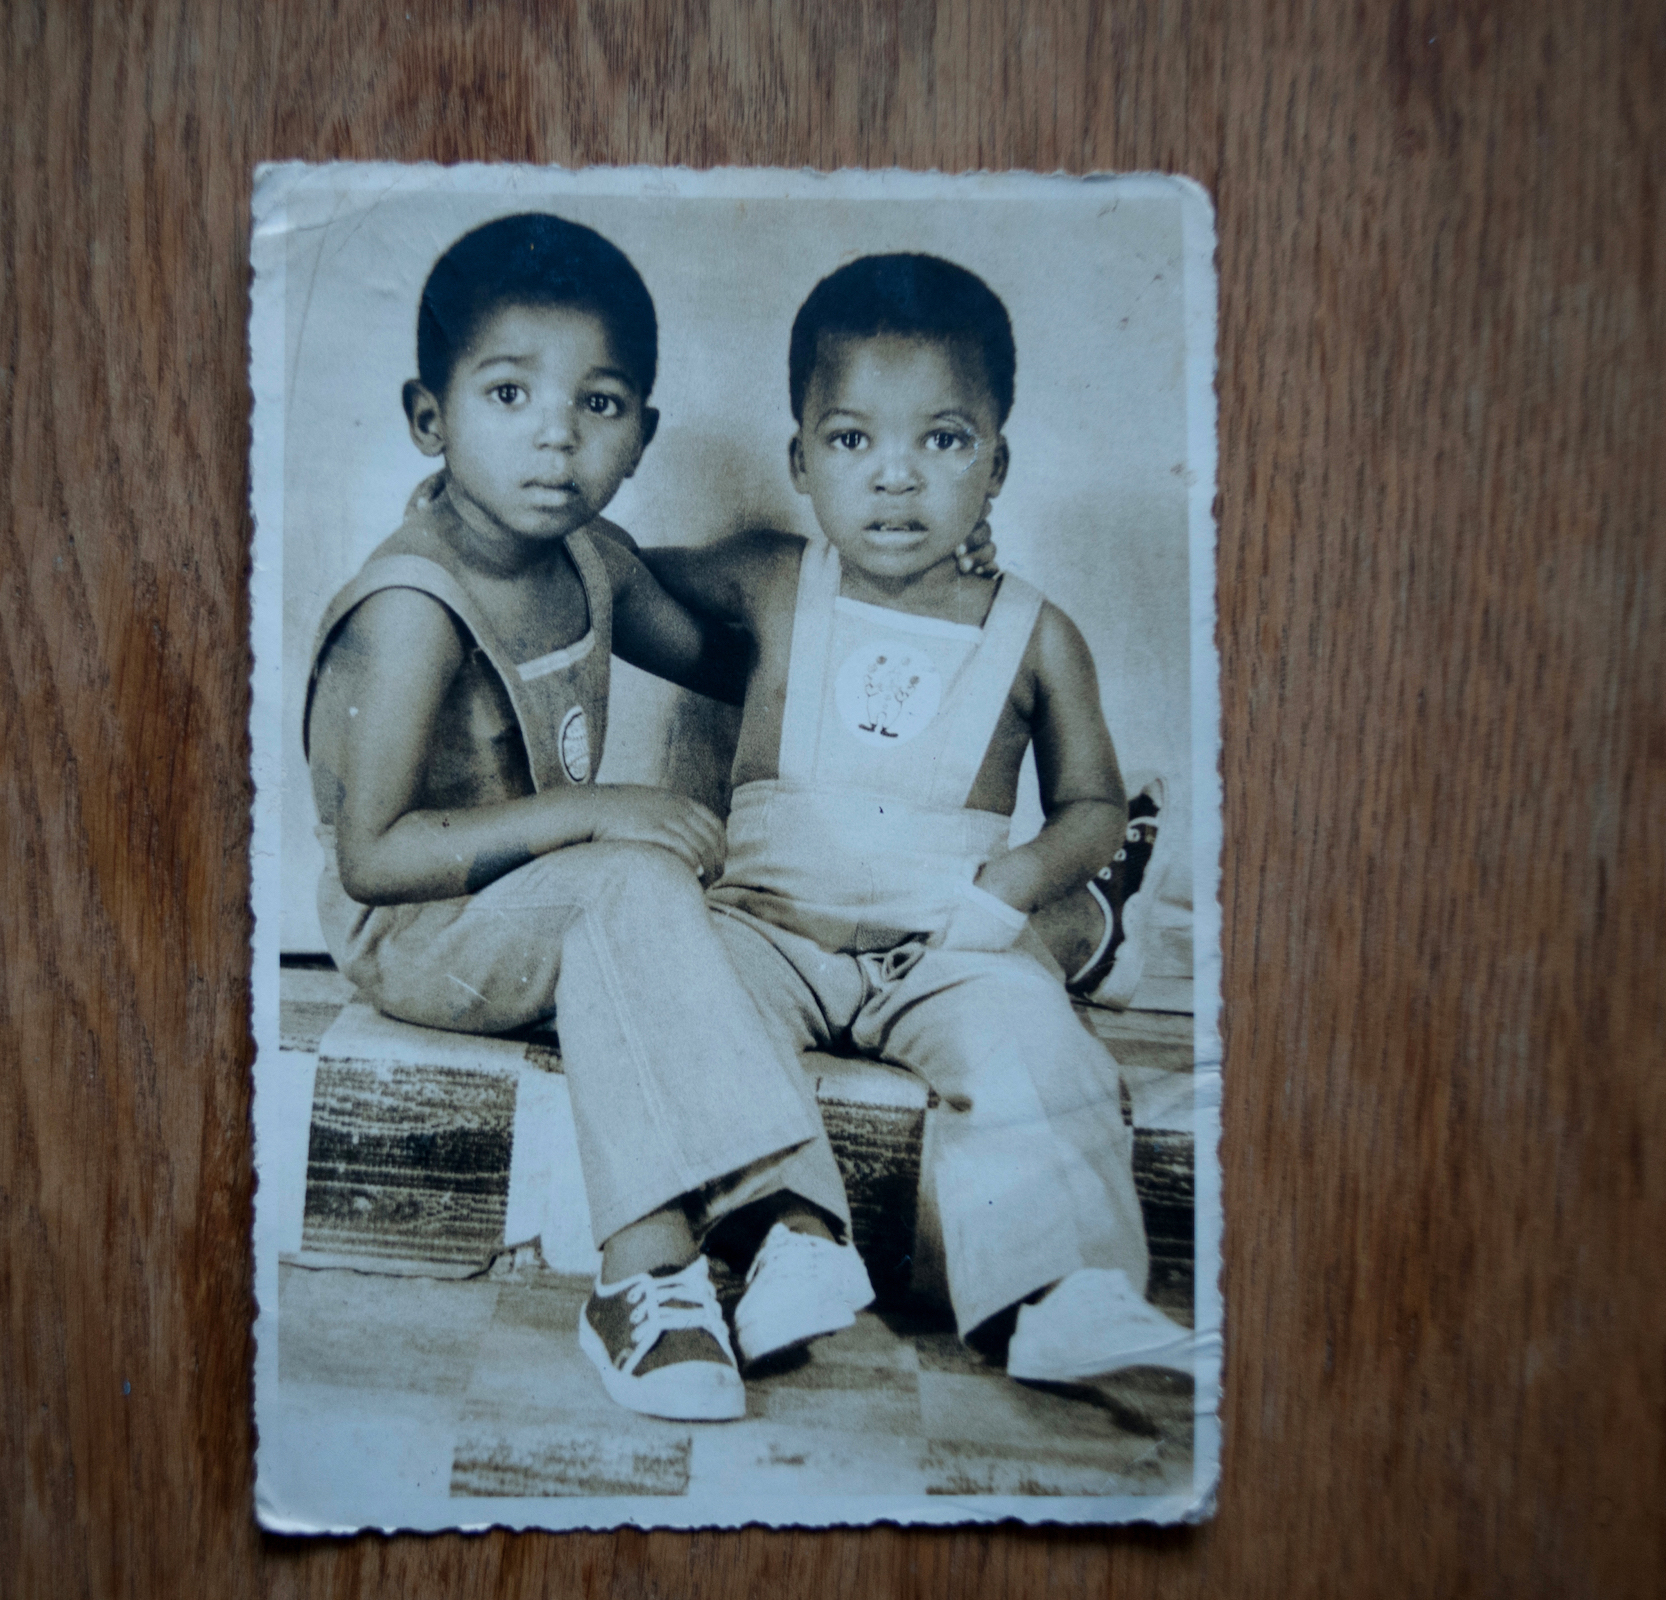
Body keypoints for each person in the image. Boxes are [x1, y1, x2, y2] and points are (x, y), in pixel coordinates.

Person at [302, 213, 878, 1424]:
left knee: (674, 902)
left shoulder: (590, 556)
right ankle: (650, 1275)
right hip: (412, 928)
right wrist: (591, 811)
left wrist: (864, 575)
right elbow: (371, 856)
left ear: (642, 434)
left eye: (600, 403)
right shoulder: (412, 604)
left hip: (540, 908)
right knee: (627, 878)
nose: (555, 433)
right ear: (429, 416)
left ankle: (781, 1239)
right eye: (508, 393)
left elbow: (736, 658)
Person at [638, 253, 1198, 1381]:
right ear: (799, 460)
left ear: (997, 463)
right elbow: (611, 582)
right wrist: (482, 516)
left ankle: (1059, 1291)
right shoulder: (769, 581)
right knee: (687, 997)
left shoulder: (1036, 631)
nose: (894, 480)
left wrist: (1015, 883)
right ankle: (786, 1239)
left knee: (1035, 1044)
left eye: (940, 442)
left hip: (945, 942)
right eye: (851, 442)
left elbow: (1088, 803)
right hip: (766, 926)